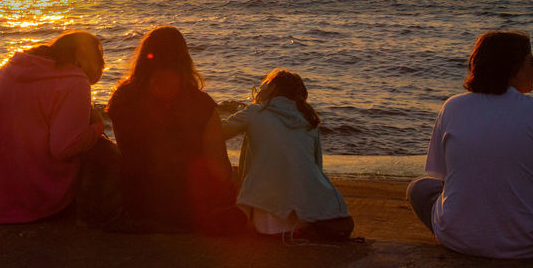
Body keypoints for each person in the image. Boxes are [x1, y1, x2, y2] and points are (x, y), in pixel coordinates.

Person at [406, 31, 533, 258]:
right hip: (529, 243)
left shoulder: (453, 106)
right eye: (532, 62)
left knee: (419, 187)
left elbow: (443, 177)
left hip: (457, 238)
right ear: (514, 68)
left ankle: (475, 223)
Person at [0, 30, 117, 224]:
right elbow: (63, 148)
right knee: (101, 150)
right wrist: (97, 126)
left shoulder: (11, 67)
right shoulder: (75, 80)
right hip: (37, 202)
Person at [106, 26, 241, 233]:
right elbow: (220, 169)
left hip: (138, 203)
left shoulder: (122, 98)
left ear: (143, 58)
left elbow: (127, 151)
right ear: (184, 59)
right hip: (188, 206)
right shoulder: (201, 103)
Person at [222, 69, 353, 240]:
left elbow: (217, 131)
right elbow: (316, 166)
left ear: (273, 88)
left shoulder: (255, 112)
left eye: (262, 86)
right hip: (308, 215)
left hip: (266, 213)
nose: (259, 91)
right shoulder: (308, 119)